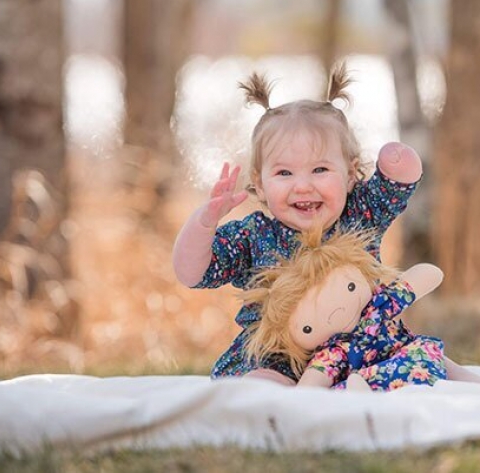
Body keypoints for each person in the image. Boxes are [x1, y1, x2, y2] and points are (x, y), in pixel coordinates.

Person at [173, 62, 421, 385]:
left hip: (363, 349)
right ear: (260, 185)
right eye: (284, 173)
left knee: (419, 355)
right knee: (263, 381)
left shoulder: (361, 214)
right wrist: (204, 223)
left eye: (319, 170)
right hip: (280, 358)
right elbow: (191, 273)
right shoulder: (254, 234)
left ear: (349, 174)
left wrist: (397, 162)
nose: (302, 186)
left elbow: (397, 187)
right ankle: (276, 409)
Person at [241, 228, 480, 393]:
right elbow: (312, 385)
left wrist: (410, 281)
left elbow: (423, 277)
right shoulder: (333, 352)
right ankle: (364, 403)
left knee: (443, 360)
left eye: (349, 287)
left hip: (411, 355)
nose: (336, 310)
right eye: (308, 327)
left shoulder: (377, 307)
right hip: (367, 379)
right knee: (349, 387)